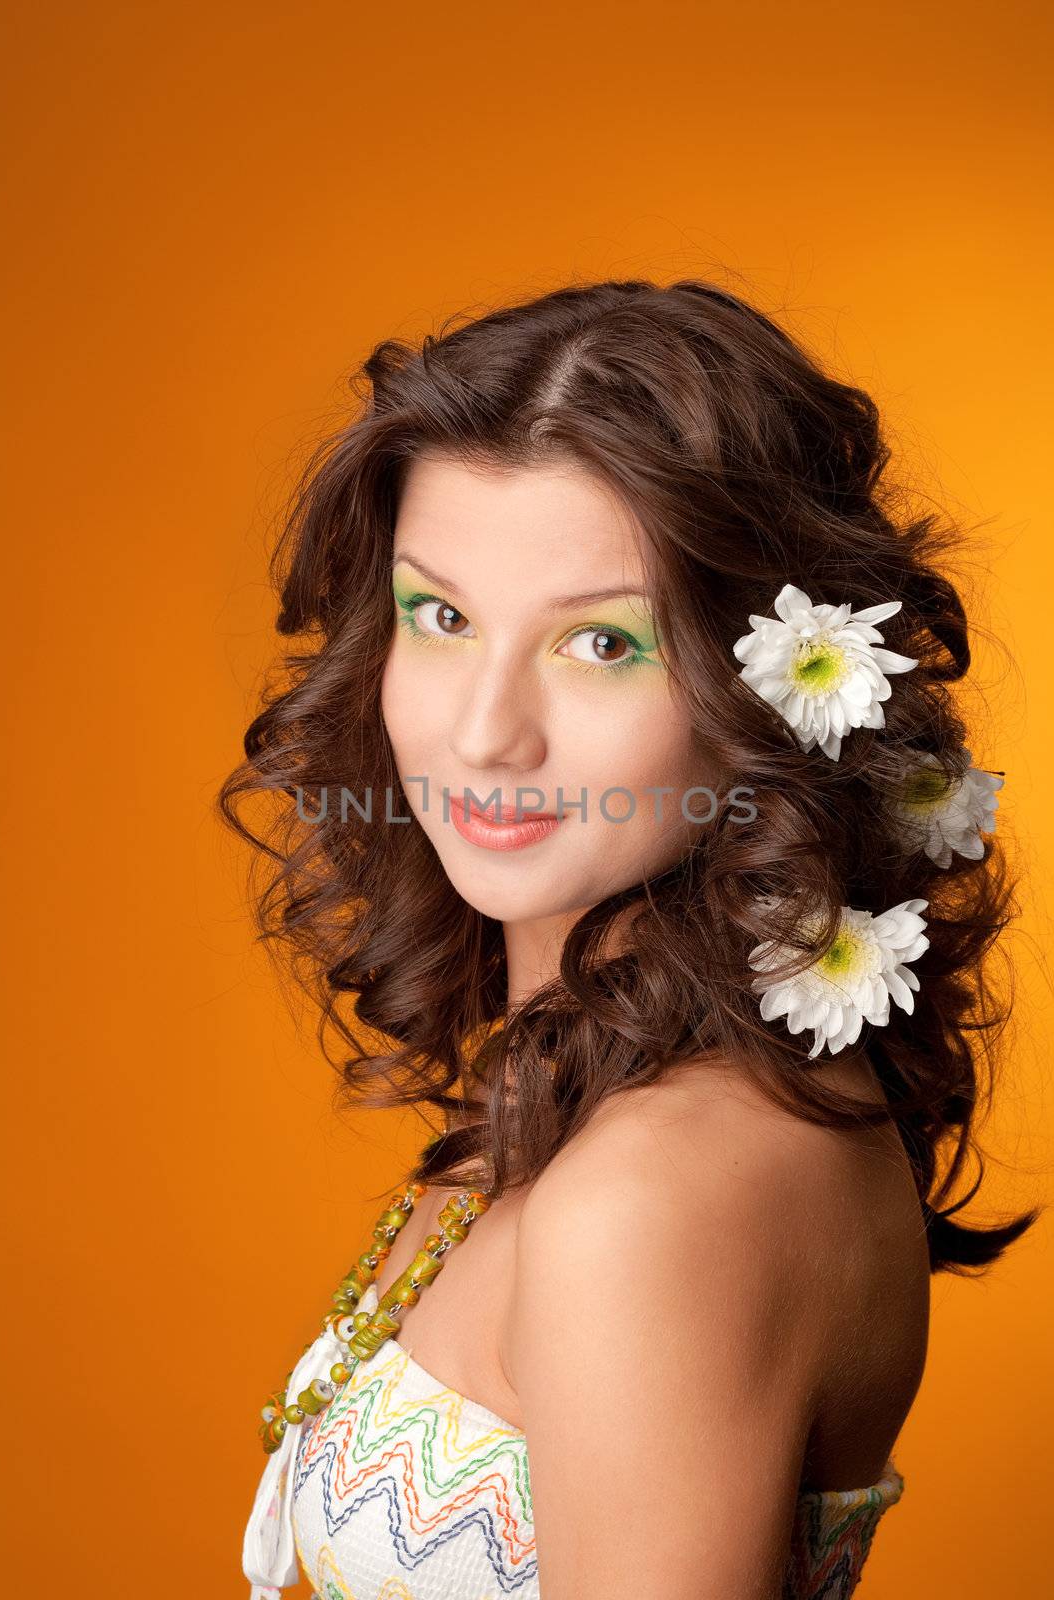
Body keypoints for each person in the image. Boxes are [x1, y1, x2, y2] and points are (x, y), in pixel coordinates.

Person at [225, 277, 1038, 1600]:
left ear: (769, 689)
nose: (485, 731)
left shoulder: (660, 1195)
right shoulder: (604, 1096)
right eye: (442, 617)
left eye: (603, 643)